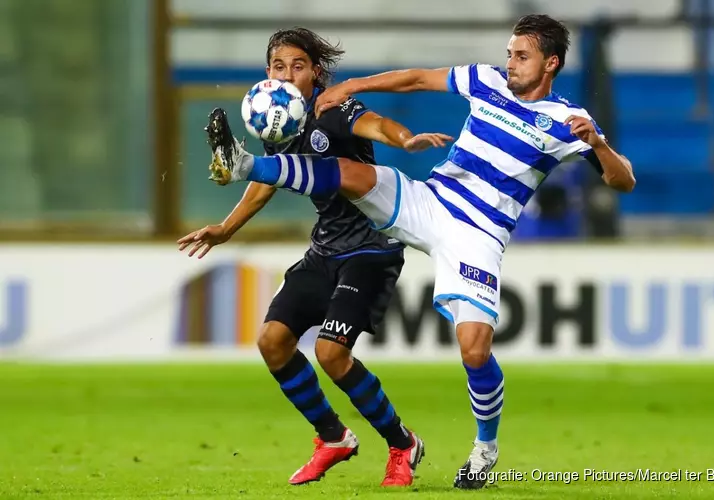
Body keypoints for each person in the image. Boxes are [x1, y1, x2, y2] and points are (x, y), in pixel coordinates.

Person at [205, 15, 636, 489]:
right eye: (510, 53)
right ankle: (244, 163)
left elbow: (622, 180)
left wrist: (596, 144)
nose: (509, 63)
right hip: (431, 202)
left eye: (521, 56)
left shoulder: (568, 122)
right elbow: (414, 79)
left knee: (474, 350)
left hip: (478, 235)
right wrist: (351, 86)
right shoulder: (485, 80)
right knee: (350, 172)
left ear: (550, 63)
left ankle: (484, 448)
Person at [179, 27, 452, 487]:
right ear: (268, 72)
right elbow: (269, 179)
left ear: (316, 72)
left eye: (298, 66)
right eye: (278, 66)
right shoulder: (276, 119)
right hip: (325, 248)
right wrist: (226, 228)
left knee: (330, 353)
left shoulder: (333, 108)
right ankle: (333, 437)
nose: (287, 75)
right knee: (272, 341)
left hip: (370, 249)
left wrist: (406, 140)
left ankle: (402, 443)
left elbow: (377, 125)